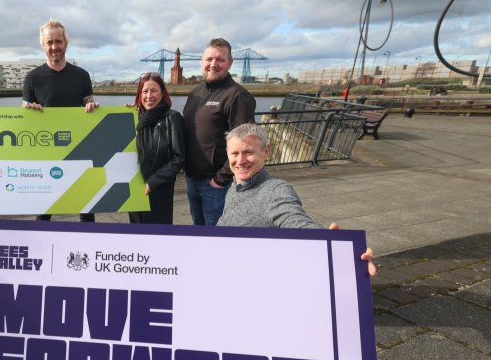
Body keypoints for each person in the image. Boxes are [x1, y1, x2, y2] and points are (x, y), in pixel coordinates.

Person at [217, 123, 376, 275]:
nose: (240, 161)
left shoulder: (275, 190)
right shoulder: (235, 186)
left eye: (248, 152)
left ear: (266, 151)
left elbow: (295, 220)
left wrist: (340, 250)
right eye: (235, 153)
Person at [22, 19, 99, 222]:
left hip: (79, 150)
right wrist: (30, 110)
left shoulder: (82, 75)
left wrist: (92, 107)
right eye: (50, 42)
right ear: (43, 44)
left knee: (86, 206)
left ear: (66, 43)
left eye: (58, 41)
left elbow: (89, 103)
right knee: (44, 210)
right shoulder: (32, 78)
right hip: (46, 153)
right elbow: (23, 117)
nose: (54, 47)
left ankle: (89, 242)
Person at [183, 38, 256, 226]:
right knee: (198, 231)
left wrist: (221, 179)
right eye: (209, 59)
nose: (213, 65)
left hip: (215, 185)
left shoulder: (237, 96)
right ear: (202, 61)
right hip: (192, 179)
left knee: (217, 238)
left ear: (230, 63)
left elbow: (246, 145)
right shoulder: (196, 93)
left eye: (220, 60)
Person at [129, 73, 185, 224]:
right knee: (136, 235)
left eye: (153, 90)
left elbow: (178, 157)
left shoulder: (172, 118)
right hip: (134, 189)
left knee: (158, 234)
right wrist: (94, 110)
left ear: (162, 93)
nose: (149, 96)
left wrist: (154, 182)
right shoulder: (132, 117)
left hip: (159, 188)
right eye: (145, 91)